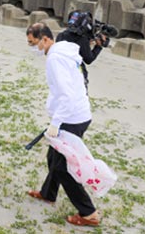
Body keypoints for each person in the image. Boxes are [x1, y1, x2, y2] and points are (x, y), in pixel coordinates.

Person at [25, 23, 100, 227]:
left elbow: (66, 94)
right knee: (53, 156)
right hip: (75, 113)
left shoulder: (56, 59)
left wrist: (56, 124)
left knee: (63, 167)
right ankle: (48, 193)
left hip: (72, 117)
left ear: (45, 39)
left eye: (34, 43)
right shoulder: (64, 53)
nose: (33, 48)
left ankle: (88, 212)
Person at [56, 11, 107, 89]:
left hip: (61, 74)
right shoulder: (81, 39)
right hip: (77, 76)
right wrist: (98, 46)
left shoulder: (61, 36)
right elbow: (89, 59)